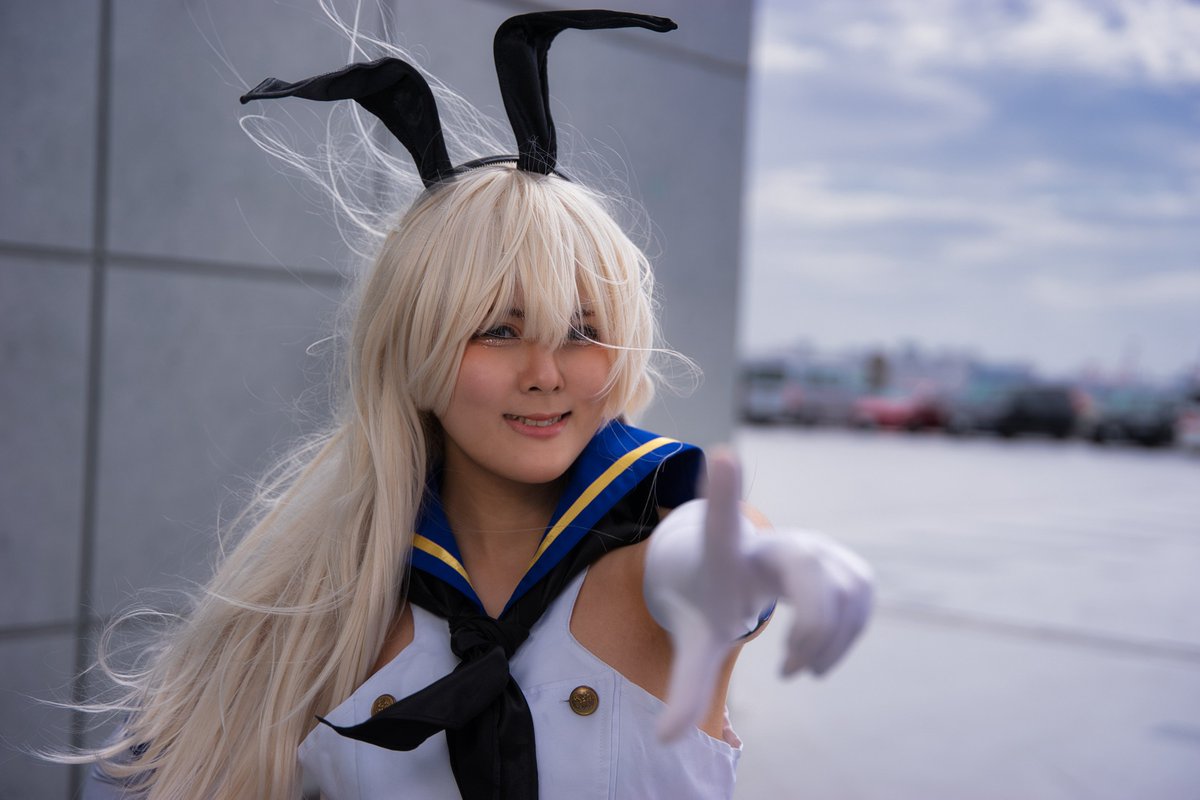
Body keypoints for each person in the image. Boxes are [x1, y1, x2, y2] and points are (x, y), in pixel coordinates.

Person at [72, 9, 873, 799]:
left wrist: (743, 566)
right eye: (498, 330)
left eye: (582, 331)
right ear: (415, 346)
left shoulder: (649, 574)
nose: (545, 373)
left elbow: (702, 565)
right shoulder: (328, 614)